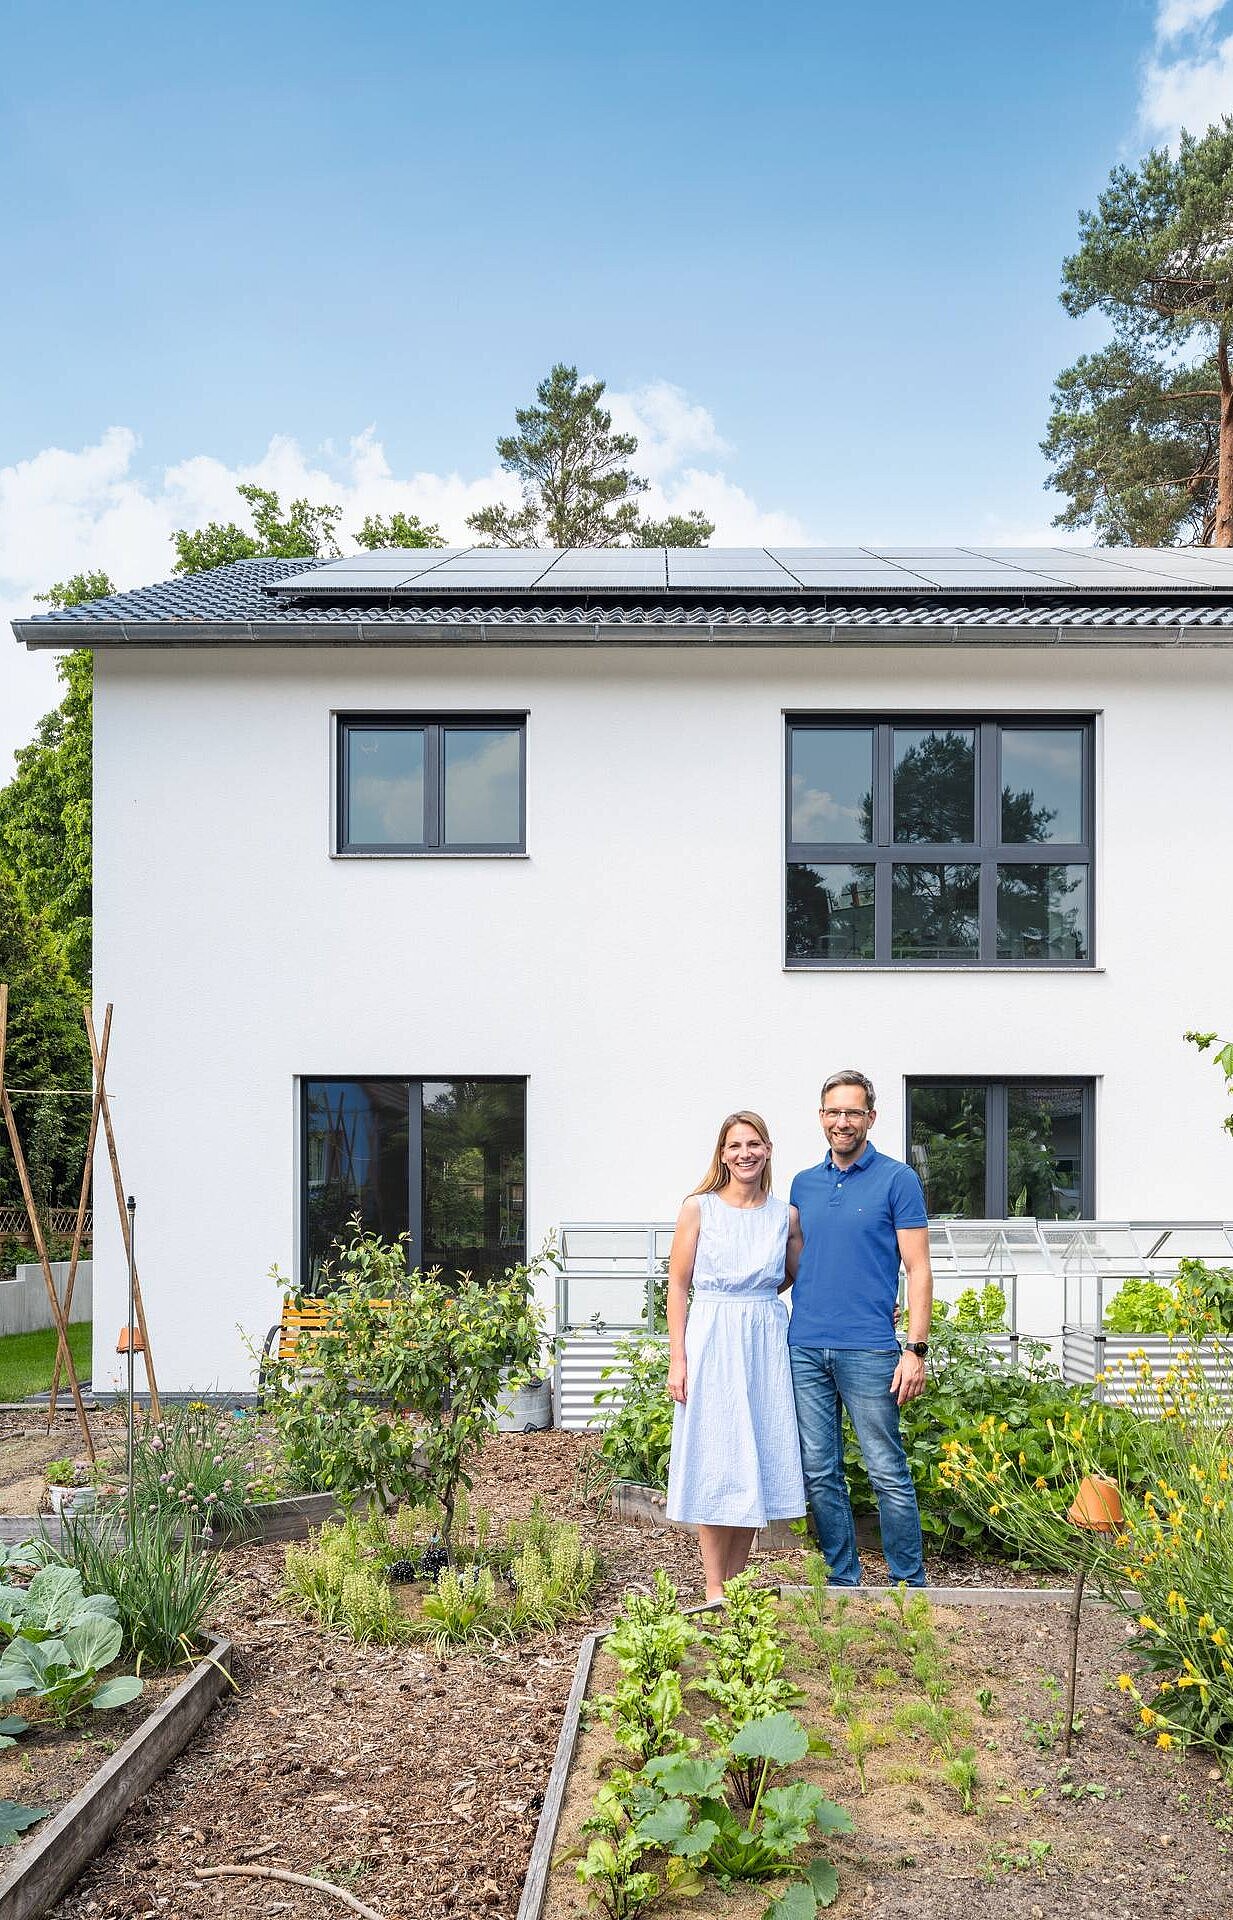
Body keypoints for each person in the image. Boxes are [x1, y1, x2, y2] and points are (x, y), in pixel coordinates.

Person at [787, 1070, 934, 1587]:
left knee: (886, 1471)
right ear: (821, 1117)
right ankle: (842, 1581)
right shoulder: (803, 1183)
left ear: (871, 1118)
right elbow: (793, 1263)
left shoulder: (898, 1179)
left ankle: (908, 1585)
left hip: (870, 1351)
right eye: (833, 1112)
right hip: (804, 1346)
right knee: (821, 1473)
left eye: (853, 1112)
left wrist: (915, 1349)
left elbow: (918, 1268)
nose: (842, 1121)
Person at [665, 1111, 806, 1603]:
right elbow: (678, 1286)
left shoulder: (784, 1215)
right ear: (722, 1154)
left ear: (768, 1149)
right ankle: (712, 1586)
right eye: (734, 1146)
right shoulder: (699, 1209)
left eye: (753, 1144)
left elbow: (798, 1277)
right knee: (715, 1456)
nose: (744, 1153)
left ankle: (737, 1581)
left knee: (756, 1456)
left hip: (764, 1342)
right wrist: (677, 1360)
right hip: (711, 1340)